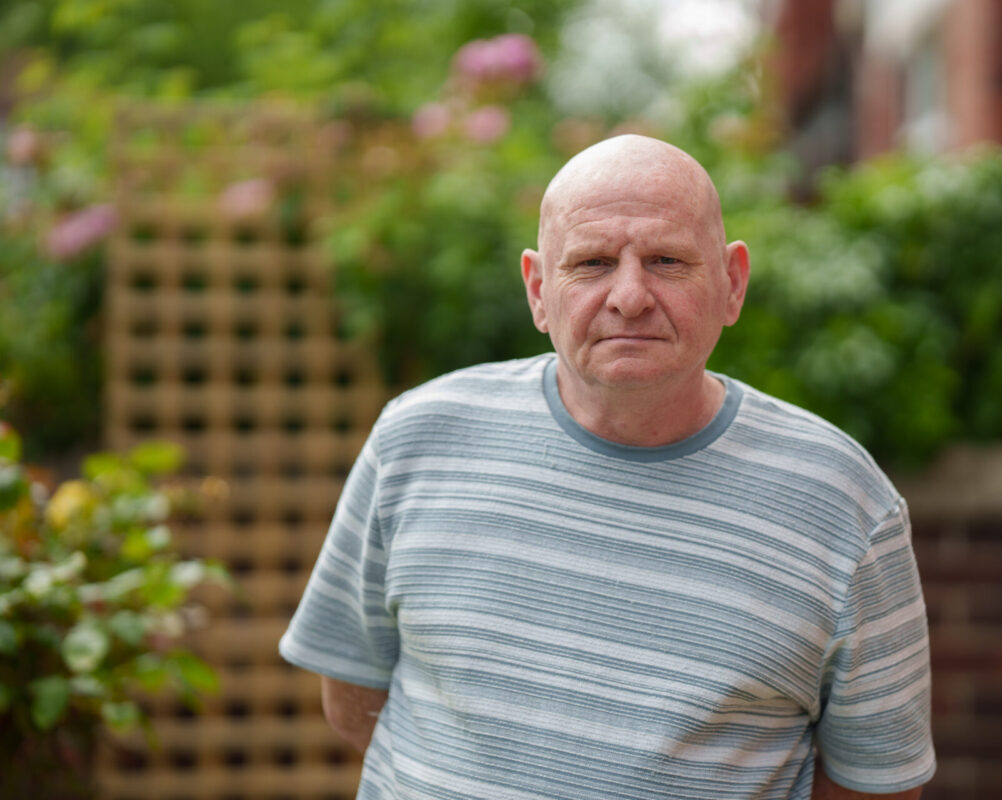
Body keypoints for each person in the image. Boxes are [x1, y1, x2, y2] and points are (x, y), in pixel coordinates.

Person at [280, 135, 936, 799]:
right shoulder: (415, 439)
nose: (629, 296)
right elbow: (351, 694)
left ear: (732, 284)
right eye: (592, 262)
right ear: (538, 290)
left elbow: (877, 784)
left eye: (666, 260)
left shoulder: (843, 501)